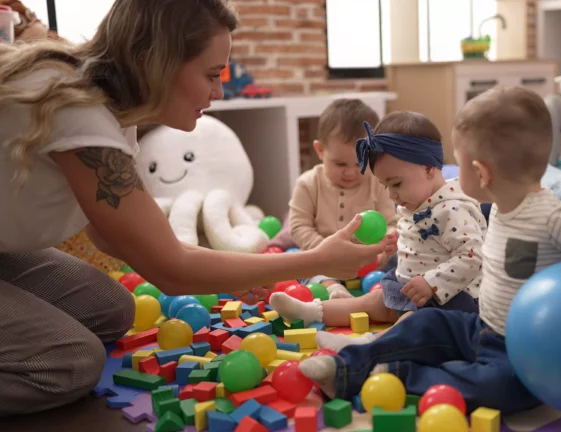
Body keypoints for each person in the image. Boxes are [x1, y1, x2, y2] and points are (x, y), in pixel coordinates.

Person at [0, 0, 395, 417]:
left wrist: (233, 270)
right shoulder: (79, 110)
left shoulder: (117, 113)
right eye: (211, 75)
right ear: (153, 63)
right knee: (71, 363)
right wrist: (315, 260)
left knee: (113, 309)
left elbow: (115, 234)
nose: (219, 91)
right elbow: (171, 269)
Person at [297, 86, 561, 415]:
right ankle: (348, 365)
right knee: (424, 323)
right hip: (480, 326)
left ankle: (398, 378)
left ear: (481, 172)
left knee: (503, 388)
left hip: (523, 349)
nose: (450, 173)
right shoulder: (498, 207)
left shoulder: (551, 216)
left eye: (457, 164)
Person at [271, 111, 486, 352]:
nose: (392, 195)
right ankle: (311, 311)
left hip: (450, 299)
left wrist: (432, 283)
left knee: (416, 323)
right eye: (386, 186)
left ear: (428, 169)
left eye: (396, 184)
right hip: (411, 287)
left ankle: (368, 345)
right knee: (372, 301)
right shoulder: (417, 199)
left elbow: (473, 256)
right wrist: (395, 239)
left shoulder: (453, 209)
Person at [275, 99, 398, 300]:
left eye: (360, 164)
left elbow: (391, 223)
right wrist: (326, 252)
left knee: (403, 260)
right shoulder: (307, 184)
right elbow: (298, 227)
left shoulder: (378, 182)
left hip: (369, 261)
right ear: (320, 151)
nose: (350, 172)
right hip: (323, 258)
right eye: (340, 164)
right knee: (300, 264)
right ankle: (334, 290)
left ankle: (388, 292)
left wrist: (386, 245)